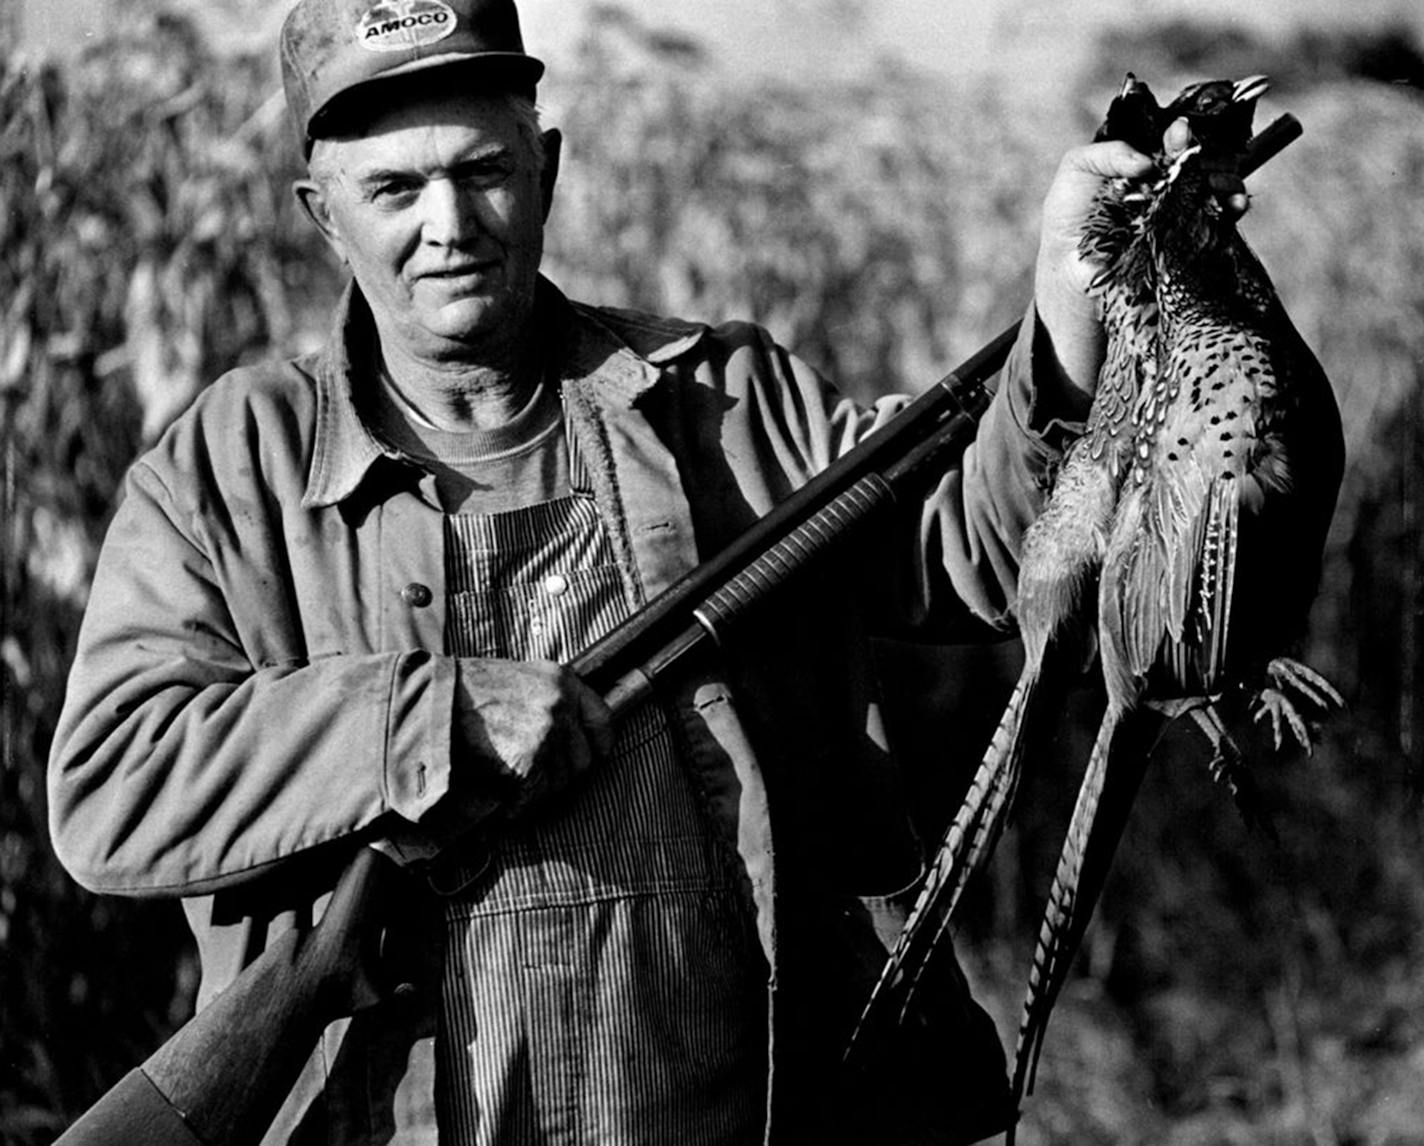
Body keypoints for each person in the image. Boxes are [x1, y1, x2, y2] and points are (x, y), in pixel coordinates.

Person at [47, 0, 1201, 1142]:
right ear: (321, 215)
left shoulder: (721, 397)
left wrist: (1065, 306)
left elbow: (983, 560)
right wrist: (425, 718)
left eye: (483, 170)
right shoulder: (230, 463)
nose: (449, 224)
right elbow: (111, 784)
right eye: (393, 190)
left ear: (543, 167)